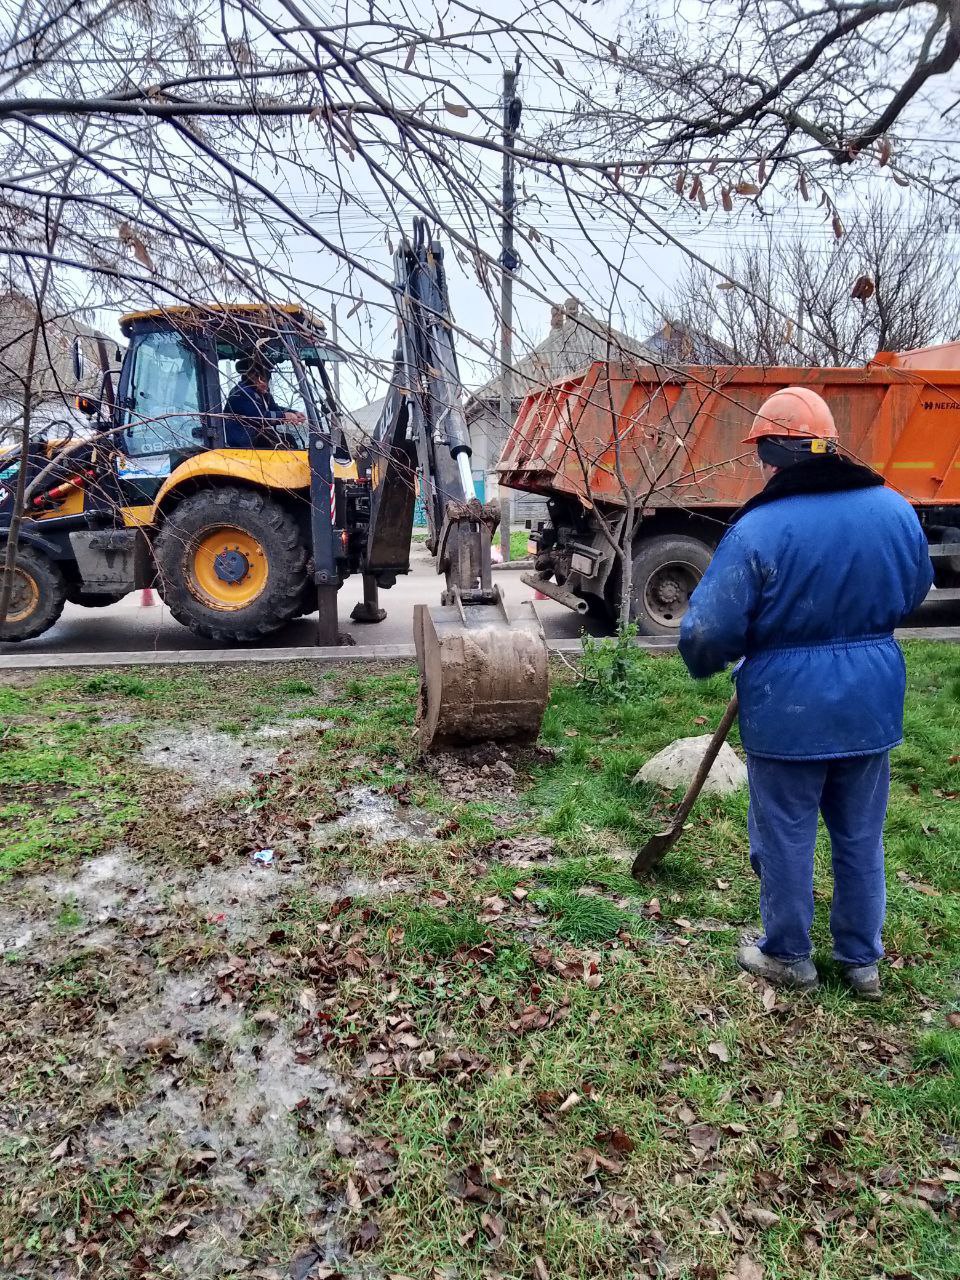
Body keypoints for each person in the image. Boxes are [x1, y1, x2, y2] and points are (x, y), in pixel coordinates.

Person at [678, 386, 933, 999]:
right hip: (870, 703)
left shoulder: (759, 528)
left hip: (787, 710)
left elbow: (708, 629)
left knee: (786, 834)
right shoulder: (896, 510)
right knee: (859, 833)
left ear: (772, 454)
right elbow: (916, 587)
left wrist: (716, 657)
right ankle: (860, 961)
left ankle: (789, 954)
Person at [223, 356, 305, 448]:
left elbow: (273, 408)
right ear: (252, 377)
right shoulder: (241, 393)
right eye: (263, 380)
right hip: (244, 441)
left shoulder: (261, 393)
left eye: (267, 380)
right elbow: (258, 418)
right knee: (282, 444)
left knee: (288, 439)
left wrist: (293, 413)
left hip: (256, 437)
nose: (266, 385)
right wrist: (284, 416)